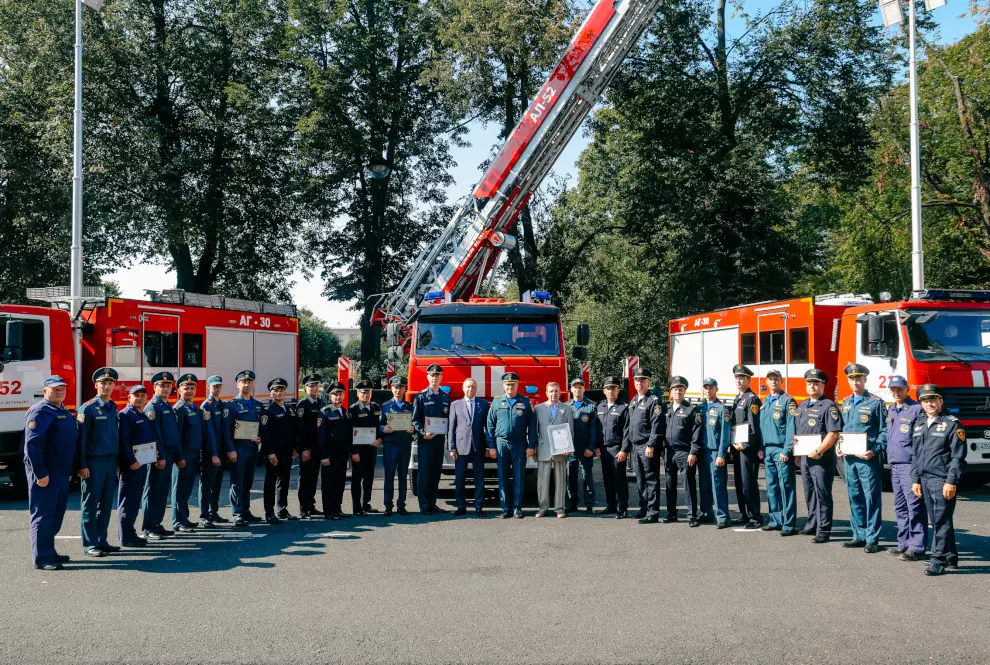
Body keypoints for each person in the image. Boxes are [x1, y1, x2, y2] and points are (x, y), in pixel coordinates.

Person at [911, 384, 966, 576]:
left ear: (941, 400)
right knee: (937, 520)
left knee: (941, 520)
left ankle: (938, 559)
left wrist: (951, 481)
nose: (929, 404)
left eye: (933, 399)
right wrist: (915, 479)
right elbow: (915, 455)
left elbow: (958, 457)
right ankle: (951, 556)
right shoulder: (919, 424)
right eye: (925, 401)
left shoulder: (952, 424)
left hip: (942, 480)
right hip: (924, 479)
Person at [24, 376, 77, 570]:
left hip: (61, 473)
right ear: (45, 391)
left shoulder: (61, 410)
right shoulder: (40, 411)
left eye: (62, 388)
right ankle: (42, 557)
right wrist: (40, 474)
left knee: (56, 513)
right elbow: (33, 446)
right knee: (43, 514)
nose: (60, 392)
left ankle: (49, 551)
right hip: (46, 473)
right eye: (55, 389)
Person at [839, 363, 887, 553]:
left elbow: (884, 431)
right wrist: (839, 446)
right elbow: (842, 429)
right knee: (854, 496)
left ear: (865, 379)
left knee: (871, 498)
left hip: (867, 459)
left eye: (858, 378)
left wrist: (875, 449)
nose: (855, 382)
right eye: (852, 378)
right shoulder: (846, 402)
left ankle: (872, 538)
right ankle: (858, 535)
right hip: (850, 459)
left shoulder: (876, 403)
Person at [76, 367, 121, 557]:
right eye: (103, 383)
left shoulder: (112, 407)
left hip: (110, 462)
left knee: (106, 504)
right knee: (90, 504)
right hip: (94, 463)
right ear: (96, 385)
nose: (107, 386)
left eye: (110, 383)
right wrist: (81, 464)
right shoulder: (87, 408)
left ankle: (102, 540)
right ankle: (90, 544)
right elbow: (81, 440)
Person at [794, 368, 841, 543]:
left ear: (823, 385)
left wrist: (820, 450)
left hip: (822, 458)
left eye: (816, 382)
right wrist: (797, 454)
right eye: (809, 382)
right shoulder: (803, 405)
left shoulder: (828, 406)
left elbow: (834, 433)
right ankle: (812, 523)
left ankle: (824, 529)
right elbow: (800, 432)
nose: (812, 386)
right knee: (809, 492)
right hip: (805, 457)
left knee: (822, 494)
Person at [885, 376, 928, 561]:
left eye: (899, 389)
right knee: (900, 506)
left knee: (915, 506)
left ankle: (917, 546)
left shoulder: (916, 410)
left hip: (909, 465)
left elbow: (920, 441)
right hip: (894, 464)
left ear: (907, 388)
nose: (896, 393)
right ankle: (903, 542)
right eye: (893, 389)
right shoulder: (892, 409)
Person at [486, 372, 537, 518]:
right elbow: (490, 425)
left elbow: (532, 426)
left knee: (518, 476)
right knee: (502, 476)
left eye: (513, 384)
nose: (510, 387)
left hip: (519, 444)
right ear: (503, 386)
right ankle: (505, 508)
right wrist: (491, 446)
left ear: (517, 385)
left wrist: (531, 445)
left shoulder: (525, 402)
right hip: (501, 443)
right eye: (507, 384)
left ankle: (517, 507)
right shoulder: (496, 402)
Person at [142, 372, 184, 540]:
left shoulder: (167, 405)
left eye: (168, 386)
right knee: (152, 491)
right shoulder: (153, 406)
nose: (166, 389)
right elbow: (154, 435)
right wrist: (159, 457)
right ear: (154, 387)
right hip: (159, 456)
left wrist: (179, 455)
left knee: (162, 492)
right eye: (162, 386)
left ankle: (157, 524)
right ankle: (148, 527)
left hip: (170, 454)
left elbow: (174, 434)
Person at [759, 369, 798, 535]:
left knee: (786, 486)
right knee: (772, 486)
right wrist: (761, 448)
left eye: (776, 379)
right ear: (766, 383)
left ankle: (788, 523)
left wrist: (787, 449)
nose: (773, 382)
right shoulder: (765, 402)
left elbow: (791, 428)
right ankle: (775, 520)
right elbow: (762, 428)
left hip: (781, 449)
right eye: (770, 380)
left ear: (781, 381)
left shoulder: (788, 401)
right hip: (767, 449)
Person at [224, 370, 264, 527]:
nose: (247, 384)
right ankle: (237, 513)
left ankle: (246, 511)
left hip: (252, 450)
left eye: (249, 381)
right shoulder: (232, 405)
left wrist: (261, 439)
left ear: (253, 384)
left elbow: (262, 427)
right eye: (243, 381)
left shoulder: (257, 405)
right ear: (238, 384)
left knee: (248, 482)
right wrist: (230, 449)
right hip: (238, 449)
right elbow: (226, 431)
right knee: (237, 483)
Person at [625, 369, 664, 524]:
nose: (639, 383)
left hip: (647, 447)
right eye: (637, 381)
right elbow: (630, 425)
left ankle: (653, 512)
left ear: (648, 382)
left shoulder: (653, 400)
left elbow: (656, 425)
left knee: (651, 480)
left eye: (643, 380)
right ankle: (644, 508)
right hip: (636, 446)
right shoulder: (634, 400)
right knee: (640, 480)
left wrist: (652, 445)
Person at [447, 377, 490, 517]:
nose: (470, 389)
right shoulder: (455, 404)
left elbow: (488, 427)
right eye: (468, 387)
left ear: (476, 389)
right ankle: (461, 506)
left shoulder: (484, 404)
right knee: (459, 477)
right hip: (460, 446)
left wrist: (489, 446)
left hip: (478, 446)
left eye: (472, 387)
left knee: (479, 477)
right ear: (463, 388)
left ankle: (479, 506)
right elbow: (451, 428)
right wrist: (451, 447)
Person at [663, 376, 702, 525]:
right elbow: (660, 430)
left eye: (680, 389)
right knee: (669, 483)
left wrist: (693, 452)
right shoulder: (666, 409)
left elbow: (696, 433)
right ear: (670, 392)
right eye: (675, 389)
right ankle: (671, 513)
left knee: (688, 483)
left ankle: (692, 515)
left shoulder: (691, 409)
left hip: (684, 452)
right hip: (669, 452)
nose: (677, 392)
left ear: (685, 391)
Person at [118, 385, 153, 548]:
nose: (139, 398)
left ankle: (130, 532)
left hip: (141, 463)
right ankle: (126, 536)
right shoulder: (126, 415)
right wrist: (131, 461)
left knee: (135, 500)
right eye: (135, 395)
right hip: (132, 465)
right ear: (129, 398)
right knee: (128, 500)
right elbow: (124, 441)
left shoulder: (141, 414)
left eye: (142, 395)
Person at [412, 364, 450, 514]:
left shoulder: (445, 397)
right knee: (424, 473)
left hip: (439, 441)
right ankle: (423, 505)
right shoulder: (421, 397)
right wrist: (422, 434)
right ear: (427, 377)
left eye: (437, 375)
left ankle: (432, 502)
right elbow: (415, 420)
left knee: (435, 472)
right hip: (425, 441)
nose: (435, 378)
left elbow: (448, 420)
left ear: (442, 377)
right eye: (432, 375)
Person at [729, 364, 762, 528]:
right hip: (737, 447)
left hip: (747, 449)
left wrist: (747, 444)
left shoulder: (752, 399)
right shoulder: (738, 399)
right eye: (737, 377)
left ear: (749, 379)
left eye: (742, 377)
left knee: (749, 483)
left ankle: (755, 517)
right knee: (739, 483)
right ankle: (744, 514)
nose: (739, 380)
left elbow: (754, 427)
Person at [171, 373, 204, 533]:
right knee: (179, 489)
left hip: (194, 453)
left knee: (187, 488)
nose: (189, 390)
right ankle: (178, 521)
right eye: (186, 388)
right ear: (179, 390)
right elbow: (176, 436)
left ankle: (184, 518)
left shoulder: (194, 408)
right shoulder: (179, 409)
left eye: (192, 388)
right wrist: (179, 457)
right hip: (184, 455)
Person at [261, 378, 298, 523]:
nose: (279, 393)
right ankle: (269, 512)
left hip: (287, 452)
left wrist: (295, 448)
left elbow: (293, 431)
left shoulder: (289, 409)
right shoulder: (268, 411)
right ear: (271, 394)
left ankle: (282, 509)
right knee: (270, 483)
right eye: (275, 390)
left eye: (281, 390)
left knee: (284, 481)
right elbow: (265, 434)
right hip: (274, 453)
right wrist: (270, 452)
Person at [534, 382, 573, 518]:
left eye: (556, 391)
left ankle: (559, 508)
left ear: (560, 392)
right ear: (546, 392)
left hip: (561, 450)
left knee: (560, 480)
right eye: (551, 391)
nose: (553, 394)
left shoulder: (567, 409)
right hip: (543, 448)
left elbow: (570, 430)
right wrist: (533, 449)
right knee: (542, 481)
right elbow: (534, 431)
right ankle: (542, 508)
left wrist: (568, 447)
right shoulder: (538, 408)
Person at [381, 375, 416, 517]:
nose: (398, 390)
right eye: (395, 387)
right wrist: (383, 429)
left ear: (405, 389)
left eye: (401, 387)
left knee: (403, 476)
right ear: (391, 388)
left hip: (405, 445)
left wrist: (413, 429)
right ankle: (388, 506)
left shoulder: (410, 407)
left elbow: (415, 423)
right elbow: (378, 425)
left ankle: (401, 505)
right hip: (390, 445)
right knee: (389, 476)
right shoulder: (385, 406)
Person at [698, 378, 731, 528]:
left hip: (714, 452)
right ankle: (706, 513)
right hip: (702, 452)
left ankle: (722, 516)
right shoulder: (700, 407)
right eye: (705, 387)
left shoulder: (722, 409)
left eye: (711, 387)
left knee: (717, 485)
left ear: (716, 389)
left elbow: (725, 434)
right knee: (704, 485)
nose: (708, 390)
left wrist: (721, 454)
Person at [596, 376, 630, 518]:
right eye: (608, 388)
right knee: (607, 479)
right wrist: (597, 446)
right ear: (604, 391)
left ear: (618, 390)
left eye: (613, 388)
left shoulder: (624, 408)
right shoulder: (599, 406)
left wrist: (624, 450)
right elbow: (597, 429)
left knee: (619, 479)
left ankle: (622, 508)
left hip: (617, 448)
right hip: (604, 449)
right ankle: (611, 505)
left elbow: (627, 431)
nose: (611, 391)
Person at [319, 381, 353, 519]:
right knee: (328, 484)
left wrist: (349, 452)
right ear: (330, 396)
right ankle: (329, 511)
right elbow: (321, 437)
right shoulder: (324, 413)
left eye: (340, 394)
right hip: (329, 455)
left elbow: (348, 434)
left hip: (342, 455)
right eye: (335, 394)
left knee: (340, 483)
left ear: (344, 395)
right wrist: (323, 455)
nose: (338, 397)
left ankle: (337, 509)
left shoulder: (345, 413)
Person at [349, 379, 383, 516]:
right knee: (357, 478)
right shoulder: (353, 409)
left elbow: (379, 426)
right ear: (358, 393)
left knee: (369, 476)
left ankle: (366, 503)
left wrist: (381, 439)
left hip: (372, 448)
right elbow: (350, 432)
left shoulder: (375, 408)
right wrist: (354, 452)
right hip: (359, 449)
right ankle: (357, 507)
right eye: (363, 392)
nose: (366, 394)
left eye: (368, 391)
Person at [566, 378, 598, 514]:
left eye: (580, 387)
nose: (577, 390)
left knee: (587, 476)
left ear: (584, 389)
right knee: (571, 476)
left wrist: (591, 447)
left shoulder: (591, 406)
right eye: (575, 387)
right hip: (570, 449)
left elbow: (594, 430)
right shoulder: (566, 406)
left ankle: (589, 504)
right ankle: (573, 503)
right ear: (571, 389)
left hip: (585, 449)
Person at [199, 376, 227, 526]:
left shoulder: (221, 405)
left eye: (219, 385)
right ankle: (204, 515)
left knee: (217, 484)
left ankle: (213, 512)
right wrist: (214, 454)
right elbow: (209, 433)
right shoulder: (207, 406)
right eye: (214, 385)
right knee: (207, 484)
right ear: (209, 387)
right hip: (211, 453)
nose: (216, 388)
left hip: (221, 452)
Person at [296, 374, 325, 519]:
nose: (314, 388)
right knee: (305, 478)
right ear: (305, 388)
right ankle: (303, 508)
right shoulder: (303, 405)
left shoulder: (320, 402)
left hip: (317, 446)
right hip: (307, 447)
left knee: (314, 478)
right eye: (311, 385)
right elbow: (301, 430)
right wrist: (304, 448)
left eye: (316, 385)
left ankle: (311, 505)